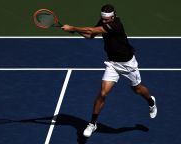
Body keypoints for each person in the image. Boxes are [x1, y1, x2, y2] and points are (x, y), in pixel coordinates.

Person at [61, 4, 157, 137]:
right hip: (112, 64)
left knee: (137, 89)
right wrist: (75, 31)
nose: (104, 21)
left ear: (113, 16)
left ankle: (151, 101)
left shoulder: (116, 25)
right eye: (103, 19)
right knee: (103, 93)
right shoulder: (104, 21)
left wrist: (72, 27)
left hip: (128, 64)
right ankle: (92, 124)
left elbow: (90, 29)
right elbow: (90, 35)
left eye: (106, 19)